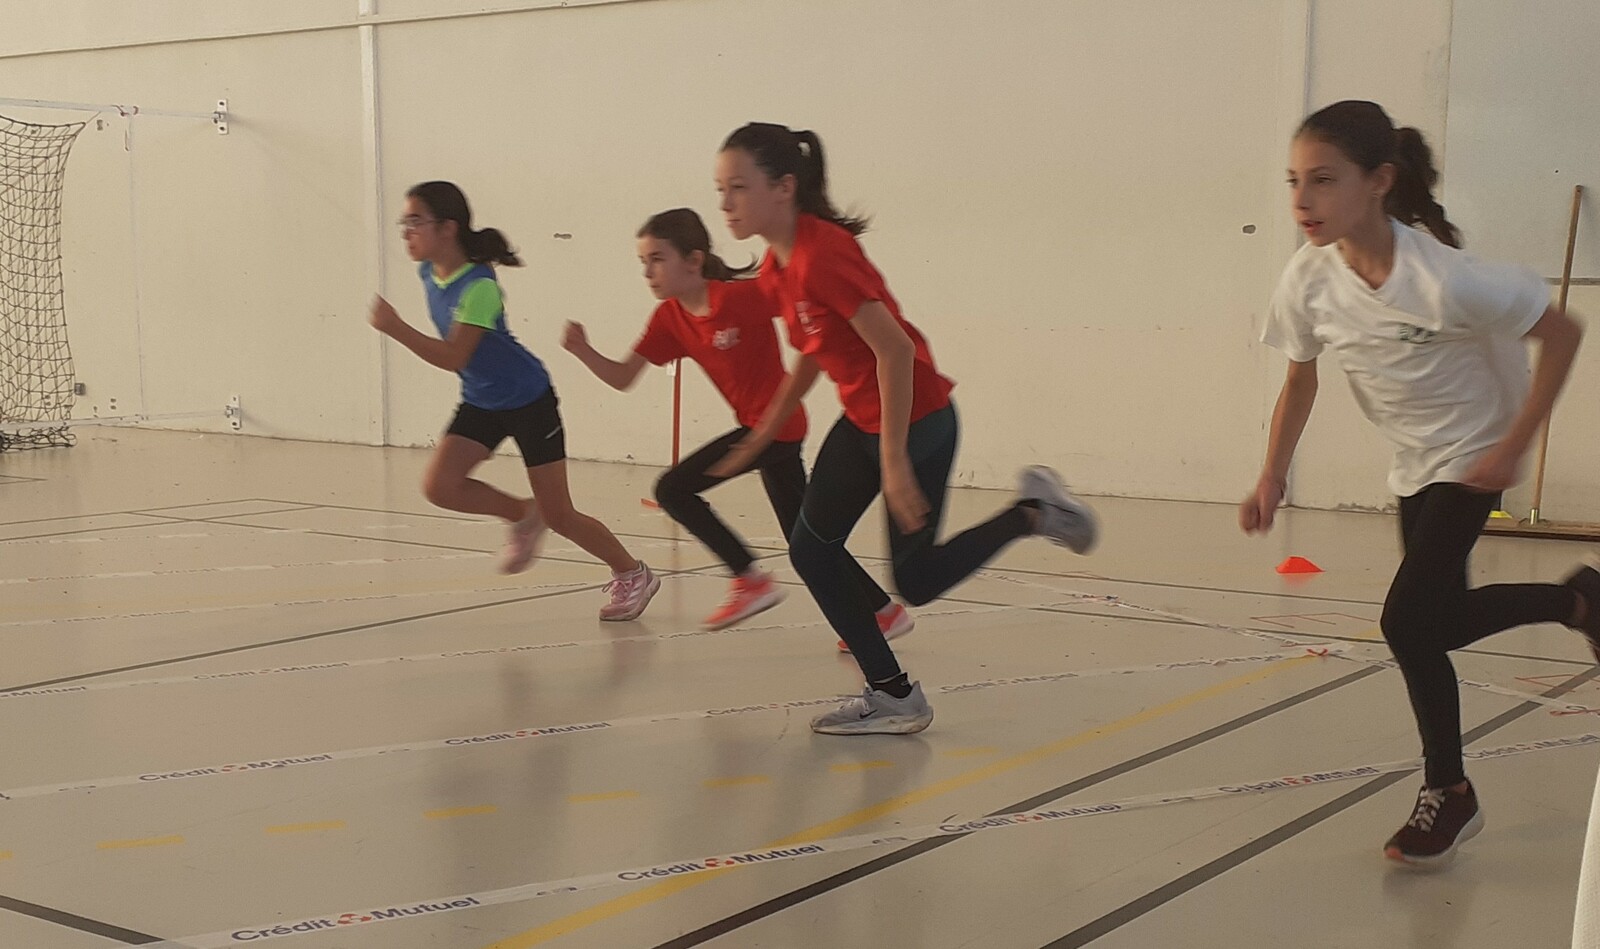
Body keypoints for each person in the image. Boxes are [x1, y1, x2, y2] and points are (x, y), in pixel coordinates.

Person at [1239, 101, 1599, 866]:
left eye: (1324, 180)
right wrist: (1273, 471)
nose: (1303, 199)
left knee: (1405, 622)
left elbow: (1563, 333)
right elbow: (1300, 379)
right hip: (1414, 463)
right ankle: (1578, 600)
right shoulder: (1309, 279)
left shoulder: (1444, 278)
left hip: (1475, 455)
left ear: (1378, 181)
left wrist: (1514, 445)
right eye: (1294, 181)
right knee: (1434, 625)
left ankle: (1450, 790)